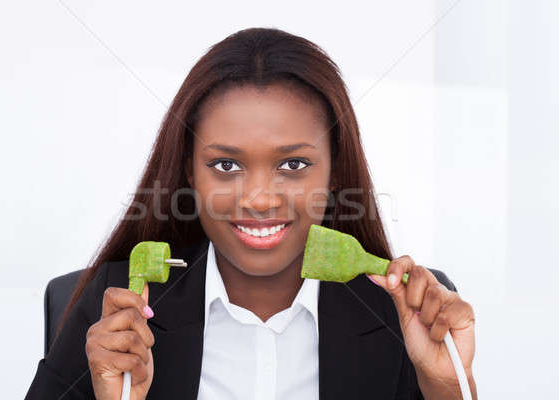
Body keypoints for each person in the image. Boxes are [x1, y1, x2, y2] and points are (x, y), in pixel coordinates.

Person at [26, 27, 477, 399]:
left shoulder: (409, 316)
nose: (259, 199)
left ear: (334, 172)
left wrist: (445, 387)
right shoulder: (116, 299)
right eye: (226, 165)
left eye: (293, 165)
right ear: (189, 173)